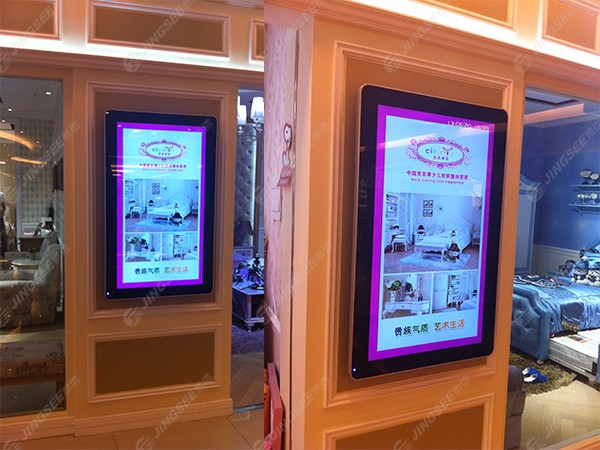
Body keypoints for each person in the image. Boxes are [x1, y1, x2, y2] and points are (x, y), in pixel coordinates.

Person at [0, 190, 6, 258]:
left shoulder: (1, 195)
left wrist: (2, 213)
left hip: (0, 219)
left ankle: (3, 255)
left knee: (3, 236)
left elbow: (4, 207)